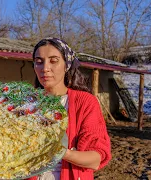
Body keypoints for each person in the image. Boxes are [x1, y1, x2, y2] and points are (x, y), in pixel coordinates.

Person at [27, 37, 112, 180]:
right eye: (39, 62)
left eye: (53, 61)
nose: (45, 68)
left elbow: (96, 159)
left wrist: (61, 152)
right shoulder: (26, 103)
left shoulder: (85, 102)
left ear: (66, 65)